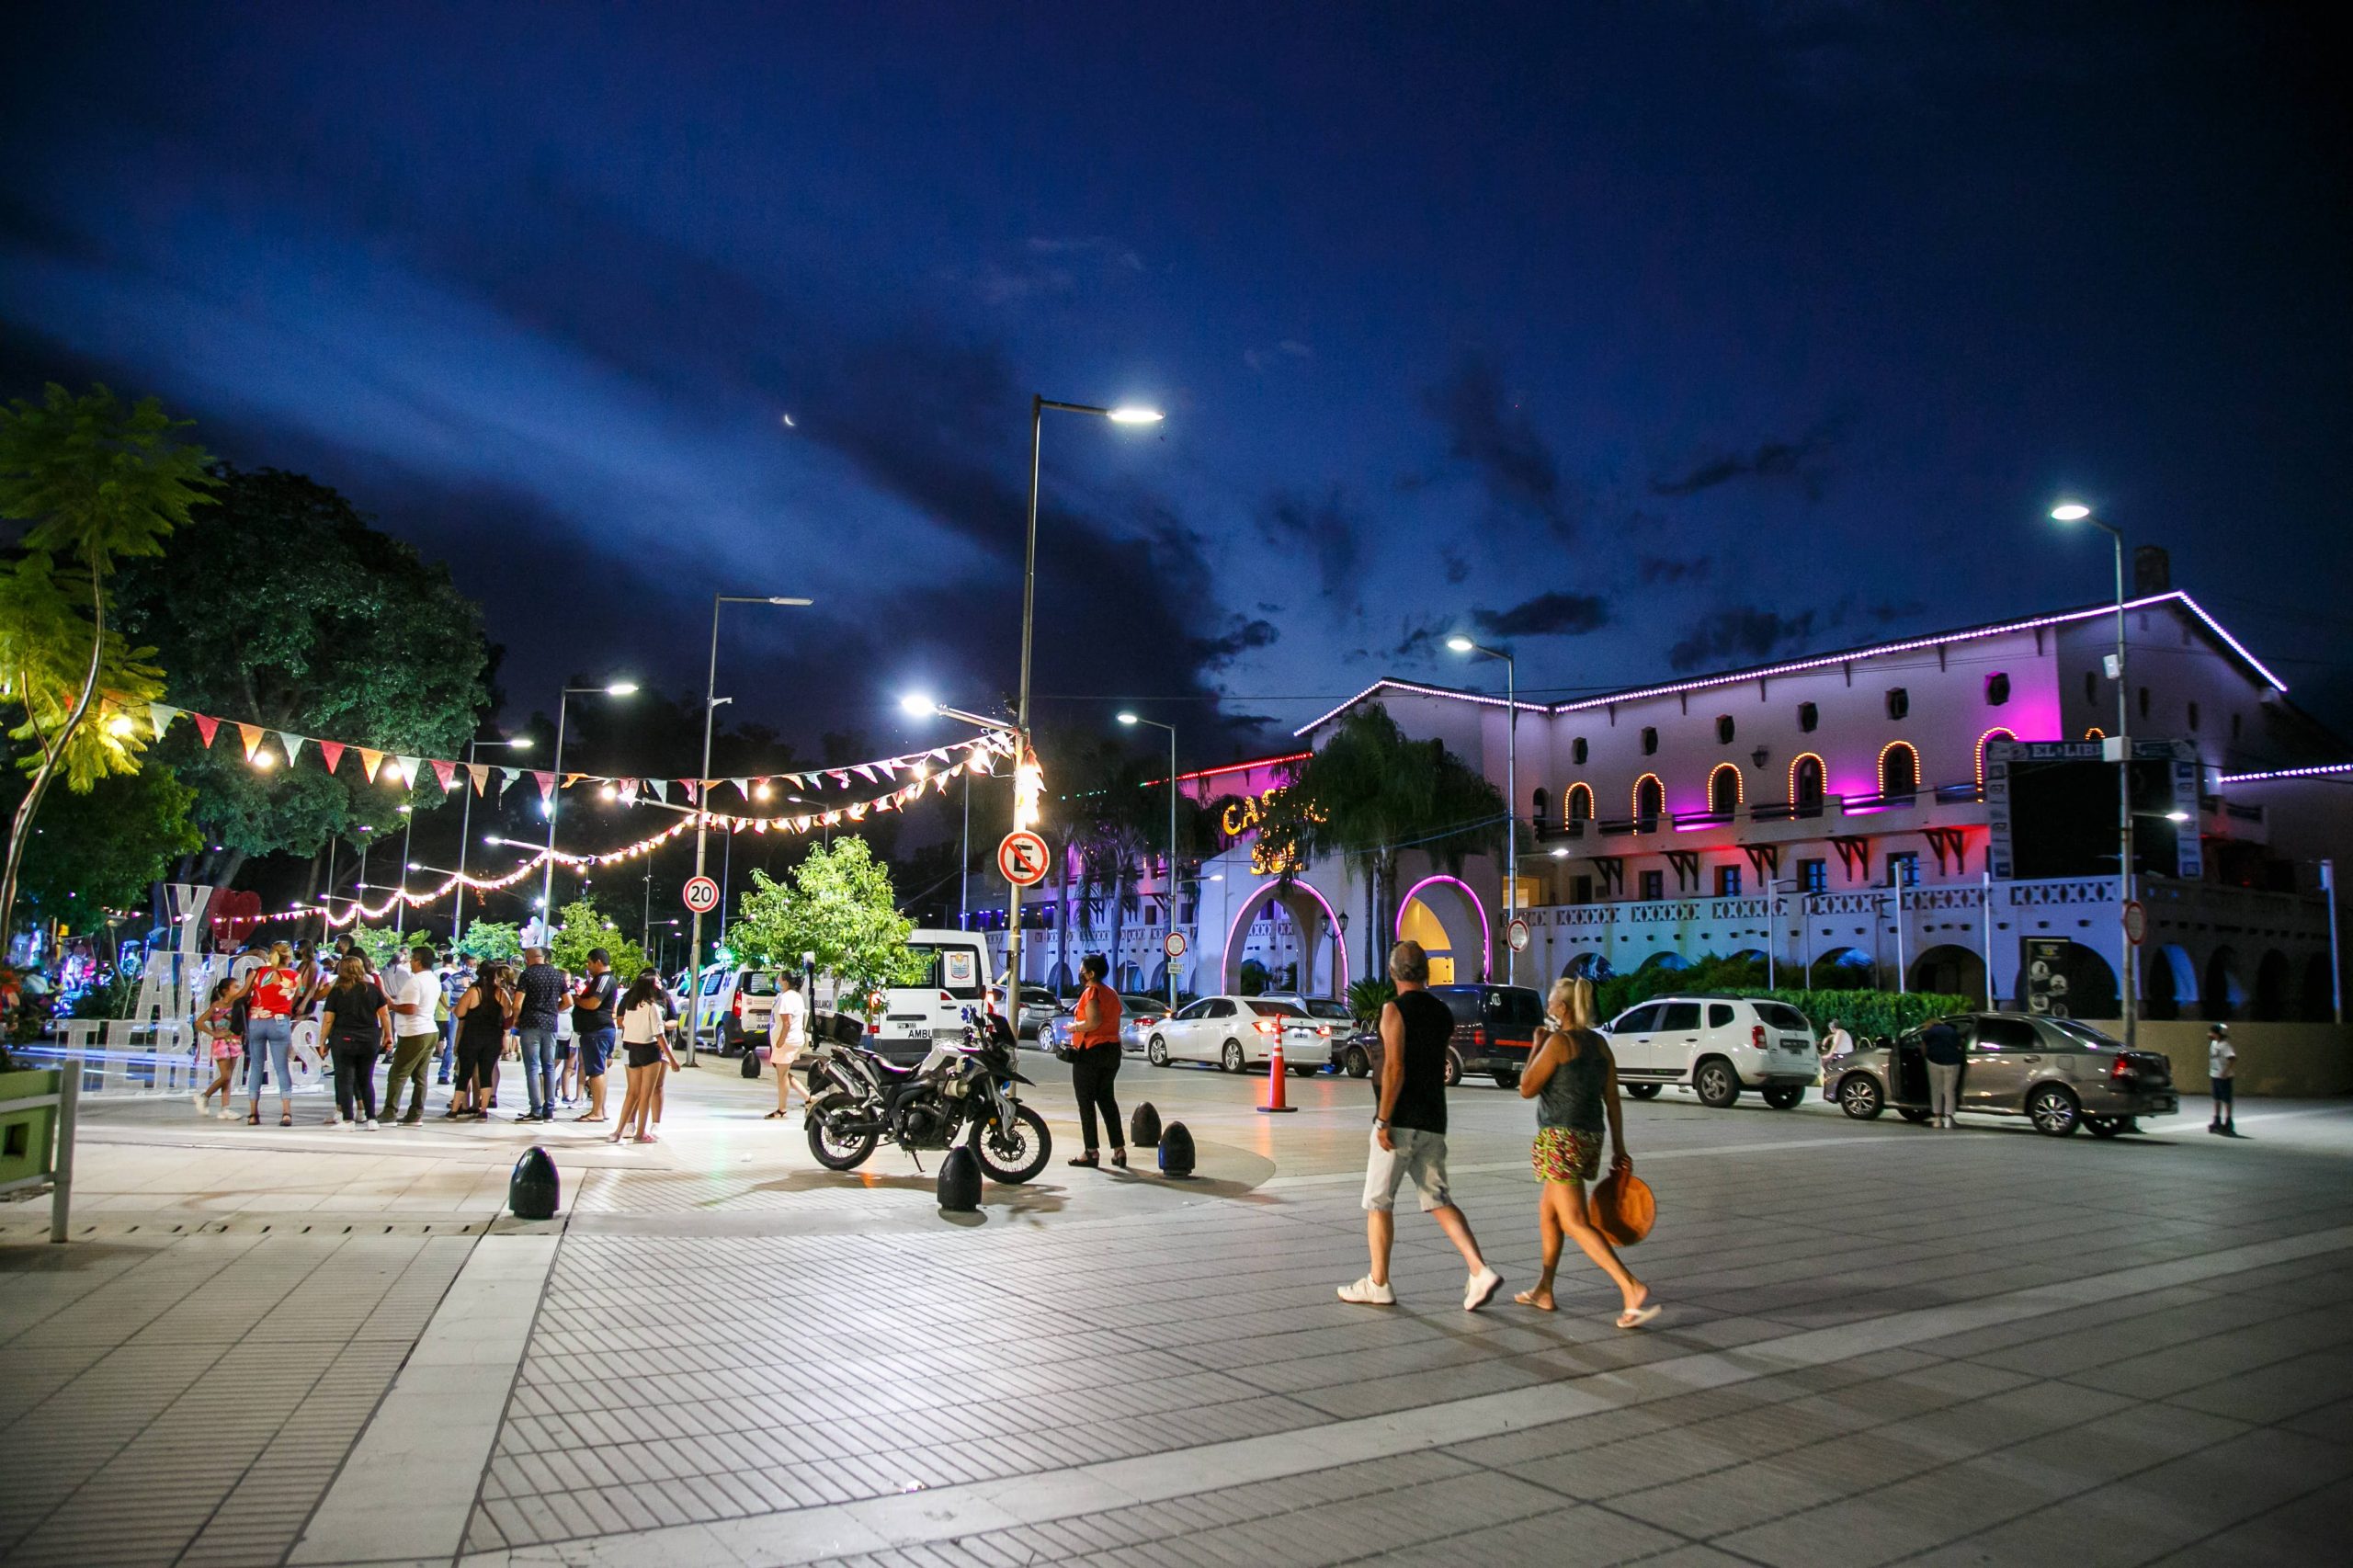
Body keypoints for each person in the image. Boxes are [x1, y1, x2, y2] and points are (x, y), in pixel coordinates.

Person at [1340, 939, 1501, 1311]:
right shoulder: (1442, 1012)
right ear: (1426, 972)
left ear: (1394, 973)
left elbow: (1395, 1066)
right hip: (1433, 1117)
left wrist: (1383, 1119)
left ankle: (1378, 1282)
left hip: (1400, 1121)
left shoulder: (1394, 1011)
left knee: (1378, 1201)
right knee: (1438, 1198)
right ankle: (1479, 1270)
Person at [1515, 977, 1659, 1326]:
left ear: (1561, 1009)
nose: (1548, 1008)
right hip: (1590, 1138)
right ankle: (1544, 1289)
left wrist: (1537, 1045)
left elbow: (1526, 1088)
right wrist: (1619, 1147)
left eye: (1551, 1003)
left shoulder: (1559, 1043)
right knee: (1549, 1211)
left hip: (1560, 1139)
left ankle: (1630, 1286)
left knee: (1575, 1221)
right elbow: (1612, 1100)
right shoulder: (1599, 1045)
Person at [227, 941, 305, 1126]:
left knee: (255, 1066)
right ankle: (286, 1112)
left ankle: (253, 1113)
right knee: (281, 1067)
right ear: (289, 956)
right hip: (280, 1022)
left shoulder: (257, 973)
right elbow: (295, 998)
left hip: (256, 1021)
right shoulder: (295, 976)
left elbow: (242, 994)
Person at [1064, 954, 1126, 1168]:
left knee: (1086, 1102)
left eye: (1082, 970)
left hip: (1091, 1051)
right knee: (1107, 1100)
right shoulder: (1112, 993)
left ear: (1091, 974)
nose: (1080, 973)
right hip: (1112, 1050)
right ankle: (1119, 1150)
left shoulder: (1092, 991)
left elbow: (1093, 1021)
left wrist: (1074, 1027)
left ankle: (1091, 1152)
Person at [318, 954, 390, 1129]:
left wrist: (322, 1042)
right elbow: (384, 1014)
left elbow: (328, 1019)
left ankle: (348, 1120)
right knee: (366, 1078)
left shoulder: (337, 991)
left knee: (345, 1079)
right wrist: (388, 1035)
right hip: (369, 1038)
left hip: (344, 1038)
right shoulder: (373, 989)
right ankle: (371, 1119)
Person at [608, 971, 676, 1144]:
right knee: (646, 1094)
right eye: (657, 982)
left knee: (632, 1093)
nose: (660, 985)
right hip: (650, 1050)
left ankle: (618, 1131)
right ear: (651, 986)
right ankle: (640, 1133)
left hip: (633, 1050)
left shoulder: (631, 1005)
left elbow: (625, 1029)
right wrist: (672, 1060)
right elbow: (659, 1035)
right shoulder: (652, 1007)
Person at [381, 947, 443, 1126]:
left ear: (418, 960)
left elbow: (411, 1008)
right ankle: (416, 1113)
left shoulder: (415, 981)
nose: (410, 963)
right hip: (429, 1029)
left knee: (397, 1073)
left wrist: (392, 1006)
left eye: (412, 959)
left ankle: (389, 1112)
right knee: (420, 1075)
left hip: (414, 1031)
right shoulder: (433, 979)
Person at [449, 960, 517, 1119]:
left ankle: (454, 1109)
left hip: (471, 1036)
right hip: (492, 1038)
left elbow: (459, 1013)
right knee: (486, 1073)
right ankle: (483, 1110)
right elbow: (509, 1015)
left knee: (465, 1073)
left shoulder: (473, 991)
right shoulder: (501, 993)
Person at [513, 947, 565, 1122]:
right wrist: (553, 1011)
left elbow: (518, 1003)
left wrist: (515, 1019)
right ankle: (549, 1110)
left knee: (533, 1068)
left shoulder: (527, 975)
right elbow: (569, 1001)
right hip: (550, 1024)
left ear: (529, 958)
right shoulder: (557, 974)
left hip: (530, 1022)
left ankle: (535, 1109)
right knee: (549, 1066)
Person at [571, 949, 618, 1122]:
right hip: (598, 1031)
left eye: (589, 963)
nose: (588, 967)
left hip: (596, 1031)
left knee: (596, 1072)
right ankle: (600, 1109)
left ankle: (597, 1111)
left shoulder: (603, 979)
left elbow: (593, 1003)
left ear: (598, 962)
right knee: (600, 1070)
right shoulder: (604, 979)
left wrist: (577, 1000)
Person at [194, 978, 243, 1118]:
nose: (238, 990)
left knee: (228, 1077)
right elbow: (199, 1022)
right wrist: (213, 1033)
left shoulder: (237, 1004)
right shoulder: (216, 1005)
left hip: (234, 1041)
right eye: (236, 987)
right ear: (225, 990)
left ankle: (225, 1108)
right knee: (225, 1075)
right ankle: (205, 1096)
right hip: (221, 1043)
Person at [765, 971, 807, 1120]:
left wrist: (781, 1041)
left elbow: (786, 1023)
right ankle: (809, 1098)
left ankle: (782, 1109)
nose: (777, 980)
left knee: (782, 1076)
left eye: (779, 978)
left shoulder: (786, 998)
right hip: (794, 1039)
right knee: (784, 1073)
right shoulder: (796, 997)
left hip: (787, 1041)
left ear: (785, 981)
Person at [1922, 1016, 1963, 1129]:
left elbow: (1924, 1047)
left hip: (1934, 1061)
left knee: (1936, 1089)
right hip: (1952, 1062)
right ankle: (1949, 1118)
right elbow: (1960, 1044)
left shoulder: (1929, 1031)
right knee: (1949, 1090)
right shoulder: (1952, 1030)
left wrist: (1926, 1056)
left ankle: (1937, 1118)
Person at [554, 968, 578, 1106]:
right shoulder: (556, 995)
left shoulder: (572, 995)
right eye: (566, 980)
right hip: (558, 1034)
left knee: (571, 1066)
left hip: (571, 1033)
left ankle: (566, 1094)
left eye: (570, 981)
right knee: (555, 1065)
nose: (568, 984)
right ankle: (553, 1091)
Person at [2209, 1023, 2236, 1135]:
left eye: (2211, 1032)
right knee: (2216, 1098)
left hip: (2224, 1077)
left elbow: (2232, 1058)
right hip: (2214, 1075)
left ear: (2217, 1034)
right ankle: (2217, 1119)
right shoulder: (2213, 1043)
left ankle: (2229, 1121)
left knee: (2226, 1099)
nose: (2209, 1034)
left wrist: (2225, 1071)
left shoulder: (2225, 1045)